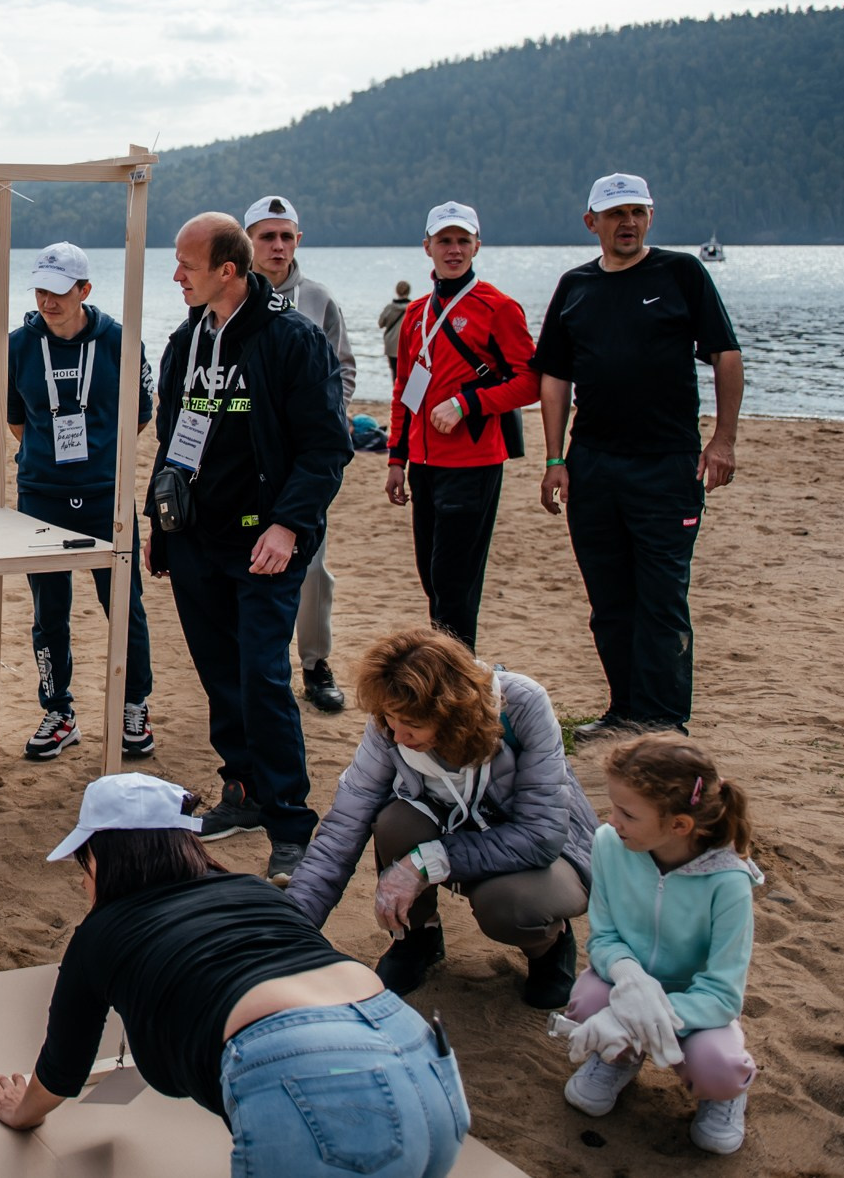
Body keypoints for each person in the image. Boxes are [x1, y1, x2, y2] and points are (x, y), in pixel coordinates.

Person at [0, 773, 468, 1178]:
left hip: (307, 1073)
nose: (84, 881)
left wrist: (20, 1111)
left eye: (83, 865)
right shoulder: (255, 892)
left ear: (103, 859)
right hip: (421, 1059)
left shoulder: (100, 931)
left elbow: (64, 1068)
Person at [148, 213, 351, 879]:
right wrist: (160, 526)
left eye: (188, 264)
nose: (176, 275)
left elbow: (326, 447)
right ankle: (242, 790)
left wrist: (288, 525)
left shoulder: (292, 340)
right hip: (195, 540)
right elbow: (172, 439)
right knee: (220, 674)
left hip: (265, 542)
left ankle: (290, 817)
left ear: (228, 271)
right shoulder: (186, 341)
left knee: (263, 676)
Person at [284, 628, 596, 1010]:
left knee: (509, 906)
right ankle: (418, 937)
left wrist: (426, 862)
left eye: (410, 724)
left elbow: (541, 834)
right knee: (394, 822)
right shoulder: (391, 718)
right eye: (389, 719)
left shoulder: (523, 704)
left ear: (450, 712)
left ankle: (548, 946)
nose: (396, 736)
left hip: (539, 855)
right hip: (457, 833)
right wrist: (291, 929)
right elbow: (343, 826)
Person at [535, 174, 744, 737]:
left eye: (637, 211)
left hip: (667, 463)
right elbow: (554, 376)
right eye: (614, 213)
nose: (626, 222)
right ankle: (625, 710)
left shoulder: (680, 273)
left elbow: (725, 354)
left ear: (650, 216)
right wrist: (555, 459)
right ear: (591, 223)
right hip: (594, 463)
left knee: (662, 596)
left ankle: (665, 720)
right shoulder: (575, 286)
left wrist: (722, 440)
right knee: (609, 598)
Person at [554, 734, 760, 1155]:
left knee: (717, 1066)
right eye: (613, 807)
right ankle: (620, 1059)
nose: (612, 820)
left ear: (679, 825)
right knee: (588, 998)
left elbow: (722, 995)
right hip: (624, 984)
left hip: (697, 1008)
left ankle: (723, 1094)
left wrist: (630, 1019)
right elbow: (606, 936)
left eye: (627, 813)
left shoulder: (729, 882)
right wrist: (629, 978)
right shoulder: (610, 844)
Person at [5, 241, 156, 761]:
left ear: (84, 290)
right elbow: (17, 418)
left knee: (124, 606)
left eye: (59, 291)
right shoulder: (20, 344)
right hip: (42, 496)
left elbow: (139, 415)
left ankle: (135, 704)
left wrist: (99, 459)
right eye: (41, 290)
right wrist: (46, 459)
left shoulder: (120, 341)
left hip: (104, 497)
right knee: (50, 610)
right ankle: (59, 710)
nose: (48, 301)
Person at [383, 202, 540, 651]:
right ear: (427, 246)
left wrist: (468, 403)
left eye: (462, 241)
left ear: (477, 245)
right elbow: (403, 392)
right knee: (433, 580)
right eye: (445, 241)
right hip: (424, 466)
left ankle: (455, 683)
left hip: (473, 464)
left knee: (455, 588)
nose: (454, 250)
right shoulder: (416, 313)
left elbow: (529, 381)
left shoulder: (498, 307)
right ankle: (449, 674)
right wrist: (397, 458)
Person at [245, 195, 354, 714]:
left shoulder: (318, 299)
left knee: (312, 569)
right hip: (245, 469)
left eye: (287, 236)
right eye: (268, 236)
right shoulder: (226, 298)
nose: (279, 246)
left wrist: (326, 425)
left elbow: (344, 369)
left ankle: (314, 663)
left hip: (302, 467)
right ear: (247, 242)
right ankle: (257, 668)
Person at [379, 280, 413, 382]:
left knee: (395, 372)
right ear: (408, 291)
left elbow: (381, 323)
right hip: (408, 344)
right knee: (408, 371)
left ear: (397, 291)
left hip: (392, 344)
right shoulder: (413, 308)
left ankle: (396, 393)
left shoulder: (390, 308)